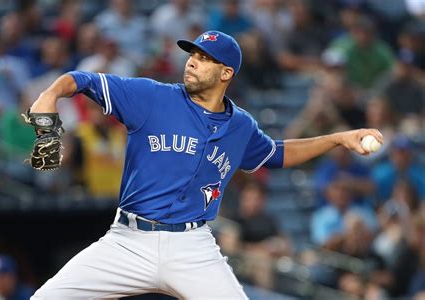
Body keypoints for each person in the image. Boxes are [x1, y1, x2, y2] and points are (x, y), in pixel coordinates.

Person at [28, 30, 383, 299]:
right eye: (192, 53)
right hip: (127, 241)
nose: (192, 60)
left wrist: (337, 138)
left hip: (192, 247)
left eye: (204, 57)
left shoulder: (241, 126)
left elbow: (277, 154)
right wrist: (49, 95)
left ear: (226, 72)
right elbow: (81, 80)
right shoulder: (151, 96)